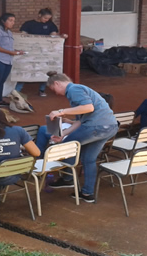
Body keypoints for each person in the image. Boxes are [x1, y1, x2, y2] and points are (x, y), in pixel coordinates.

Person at [45, 73, 118, 203]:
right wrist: (63, 134)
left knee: (65, 148)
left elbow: (88, 107)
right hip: (109, 127)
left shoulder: (74, 89)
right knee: (88, 159)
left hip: (96, 127)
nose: (55, 92)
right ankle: (87, 193)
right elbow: (80, 121)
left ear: (57, 83)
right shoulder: (78, 91)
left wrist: (61, 111)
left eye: (53, 89)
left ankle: (67, 178)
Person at [17, 8, 63, 97]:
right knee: (25, 69)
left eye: (48, 19)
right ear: (39, 15)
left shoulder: (50, 25)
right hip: (30, 51)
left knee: (44, 70)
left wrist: (60, 37)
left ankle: (42, 90)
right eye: (45, 18)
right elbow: (23, 35)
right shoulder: (29, 24)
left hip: (45, 52)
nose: (46, 20)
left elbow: (53, 36)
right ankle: (17, 90)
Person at [0, 13, 25, 105]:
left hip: (8, 60)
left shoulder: (9, 32)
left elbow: (8, 47)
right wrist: (10, 52)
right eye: (10, 20)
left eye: (14, 21)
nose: (13, 23)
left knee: (1, 81)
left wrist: (16, 51)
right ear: (3, 21)